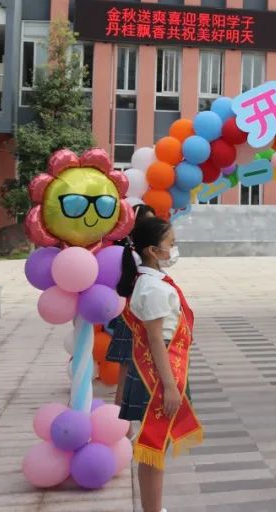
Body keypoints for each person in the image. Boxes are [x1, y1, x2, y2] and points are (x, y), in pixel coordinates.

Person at [117, 216, 203, 512]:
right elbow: (154, 339)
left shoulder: (152, 281)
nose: (174, 249)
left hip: (161, 365)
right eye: (171, 244)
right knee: (154, 446)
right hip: (157, 372)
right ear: (153, 251)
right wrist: (169, 386)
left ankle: (152, 508)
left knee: (156, 446)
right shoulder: (152, 287)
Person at [106, 203, 156, 407]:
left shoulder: (138, 253)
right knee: (127, 371)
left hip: (137, 314)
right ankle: (120, 419)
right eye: (149, 222)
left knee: (134, 371)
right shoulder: (133, 256)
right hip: (133, 316)